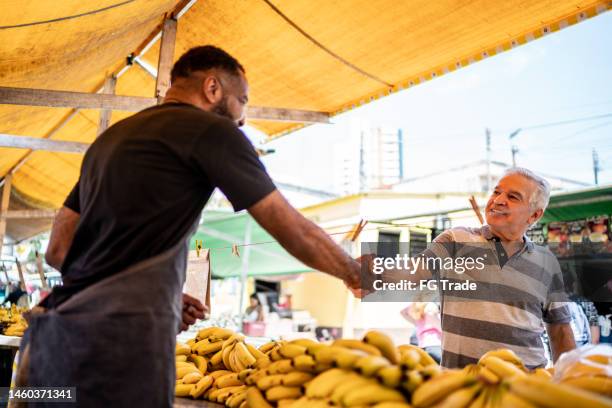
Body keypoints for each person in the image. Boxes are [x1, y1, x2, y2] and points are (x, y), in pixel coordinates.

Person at [19, 46, 361, 407]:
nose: (242, 118)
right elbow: (289, 225)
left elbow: (58, 250)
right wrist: (355, 273)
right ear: (213, 88)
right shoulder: (211, 131)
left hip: (58, 338)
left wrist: (156, 292)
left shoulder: (110, 140)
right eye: (241, 100)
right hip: (120, 347)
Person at [359, 168, 576, 368]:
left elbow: (560, 331)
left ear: (534, 214)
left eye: (512, 197)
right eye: (496, 192)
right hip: (461, 385)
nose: (498, 200)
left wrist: (569, 379)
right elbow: (414, 270)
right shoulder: (457, 239)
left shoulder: (546, 262)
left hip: (526, 387)